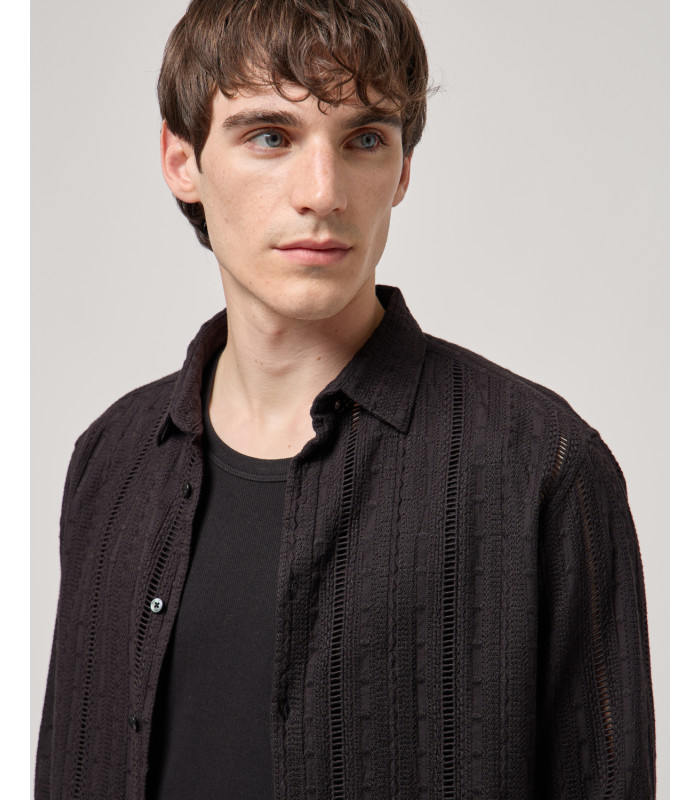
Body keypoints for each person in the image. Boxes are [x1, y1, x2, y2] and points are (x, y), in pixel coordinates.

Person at [35, 0, 655, 798]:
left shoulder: (542, 466)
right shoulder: (110, 460)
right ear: (182, 160)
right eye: (271, 136)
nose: (322, 193)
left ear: (402, 170)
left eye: (364, 139)